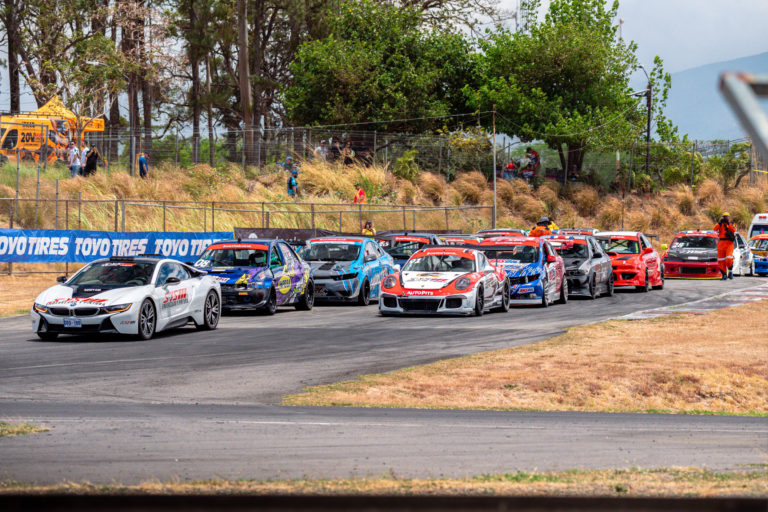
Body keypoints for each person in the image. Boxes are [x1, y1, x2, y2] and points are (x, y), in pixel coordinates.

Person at [714, 212, 736, 280]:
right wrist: (719, 223)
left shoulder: (732, 223)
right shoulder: (720, 224)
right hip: (721, 243)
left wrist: (728, 224)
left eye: (727, 217)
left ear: (729, 217)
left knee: (729, 258)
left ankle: (730, 271)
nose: (725, 218)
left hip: (729, 243)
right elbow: (714, 229)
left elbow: (734, 230)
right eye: (724, 217)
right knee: (721, 260)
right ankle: (724, 274)